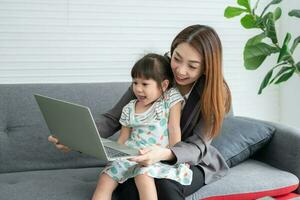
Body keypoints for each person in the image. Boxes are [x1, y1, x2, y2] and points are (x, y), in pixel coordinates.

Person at [48, 24, 232, 200]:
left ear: (207, 67)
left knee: (164, 187)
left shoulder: (216, 93)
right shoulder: (156, 71)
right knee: (131, 189)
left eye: (192, 66)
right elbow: (114, 119)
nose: (181, 70)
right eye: (177, 58)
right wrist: (76, 137)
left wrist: (164, 153)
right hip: (143, 155)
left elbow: (198, 146)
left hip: (191, 161)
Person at [92, 53, 193, 200]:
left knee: (142, 175)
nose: (138, 89)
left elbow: (174, 129)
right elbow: (123, 139)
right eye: (135, 83)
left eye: (145, 84)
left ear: (164, 85)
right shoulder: (129, 108)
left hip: (156, 156)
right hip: (131, 155)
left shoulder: (170, 100)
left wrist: (174, 155)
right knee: (106, 178)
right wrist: (113, 158)